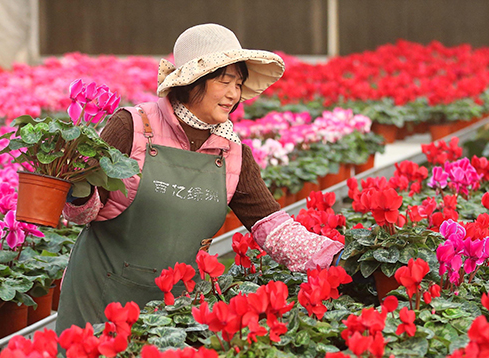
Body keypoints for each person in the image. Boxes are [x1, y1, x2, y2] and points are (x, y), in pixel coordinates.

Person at [55, 23, 343, 333]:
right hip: (101, 295)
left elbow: (271, 227)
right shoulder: (132, 127)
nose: (234, 94)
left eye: (239, 84)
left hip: (174, 309)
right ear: (193, 81)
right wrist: (78, 189)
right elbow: (79, 213)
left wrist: (336, 258)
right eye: (224, 82)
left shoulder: (232, 153)